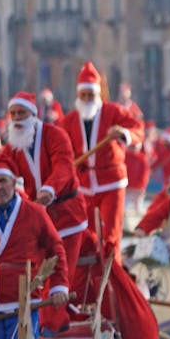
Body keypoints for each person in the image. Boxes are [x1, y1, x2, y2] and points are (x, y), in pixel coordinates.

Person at [0, 158, 71, 339]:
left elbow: (56, 251)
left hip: (26, 303)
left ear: (14, 183)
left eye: (2, 181)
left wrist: (59, 287)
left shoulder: (36, 213)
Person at [1, 91, 88, 327]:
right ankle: (36, 322)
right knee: (37, 273)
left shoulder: (55, 135)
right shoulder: (14, 144)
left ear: (33, 114)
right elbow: (1, 166)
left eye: (22, 113)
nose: (17, 118)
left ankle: (54, 325)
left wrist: (50, 188)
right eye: (13, 114)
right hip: (38, 218)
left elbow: (64, 167)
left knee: (60, 270)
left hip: (67, 214)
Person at [59, 62, 142, 259]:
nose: (87, 99)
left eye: (91, 95)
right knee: (86, 237)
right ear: (78, 96)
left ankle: (113, 279)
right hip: (83, 186)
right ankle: (92, 282)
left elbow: (138, 130)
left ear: (98, 95)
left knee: (111, 237)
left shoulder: (113, 112)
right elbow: (59, 149)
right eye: (84, 95)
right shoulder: (69, 121)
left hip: (111, 183)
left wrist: (122, 133)